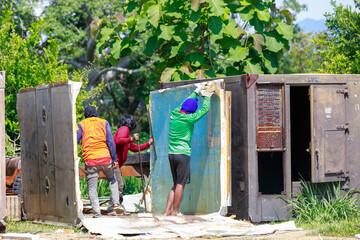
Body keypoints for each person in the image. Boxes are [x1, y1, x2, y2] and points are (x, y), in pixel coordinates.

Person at [164, 83, 213, 216]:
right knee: (181, 184)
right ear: (191, 111)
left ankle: (167, 211)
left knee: (175, 183)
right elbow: (204, 110)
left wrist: (196, 92)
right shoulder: (189, 119)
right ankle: (175, 211)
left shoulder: (174, 114)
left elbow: (183, 104)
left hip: (171, 154)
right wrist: (207, 97)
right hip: (183, 154)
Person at [77, 106, 121, 217]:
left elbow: (76, 140)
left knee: (92, 188)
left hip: (91, 160)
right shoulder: (104, 122)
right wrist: (114, 159)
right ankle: (116, 202)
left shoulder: (82, 124)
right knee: (112, 179)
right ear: (96, 113)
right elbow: (110, 142)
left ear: (86, 115)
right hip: (105, 158)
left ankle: (97, 213)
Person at [112, 114, 154, 206]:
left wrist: (148, 143)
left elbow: (135, 148)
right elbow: (119, 141)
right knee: (119, 185)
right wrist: (132, 138)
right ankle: (115, 207)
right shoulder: (124, 129)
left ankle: (113, 206)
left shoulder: (125, 134)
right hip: (114, 164)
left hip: (116, 165)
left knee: (121, 184)